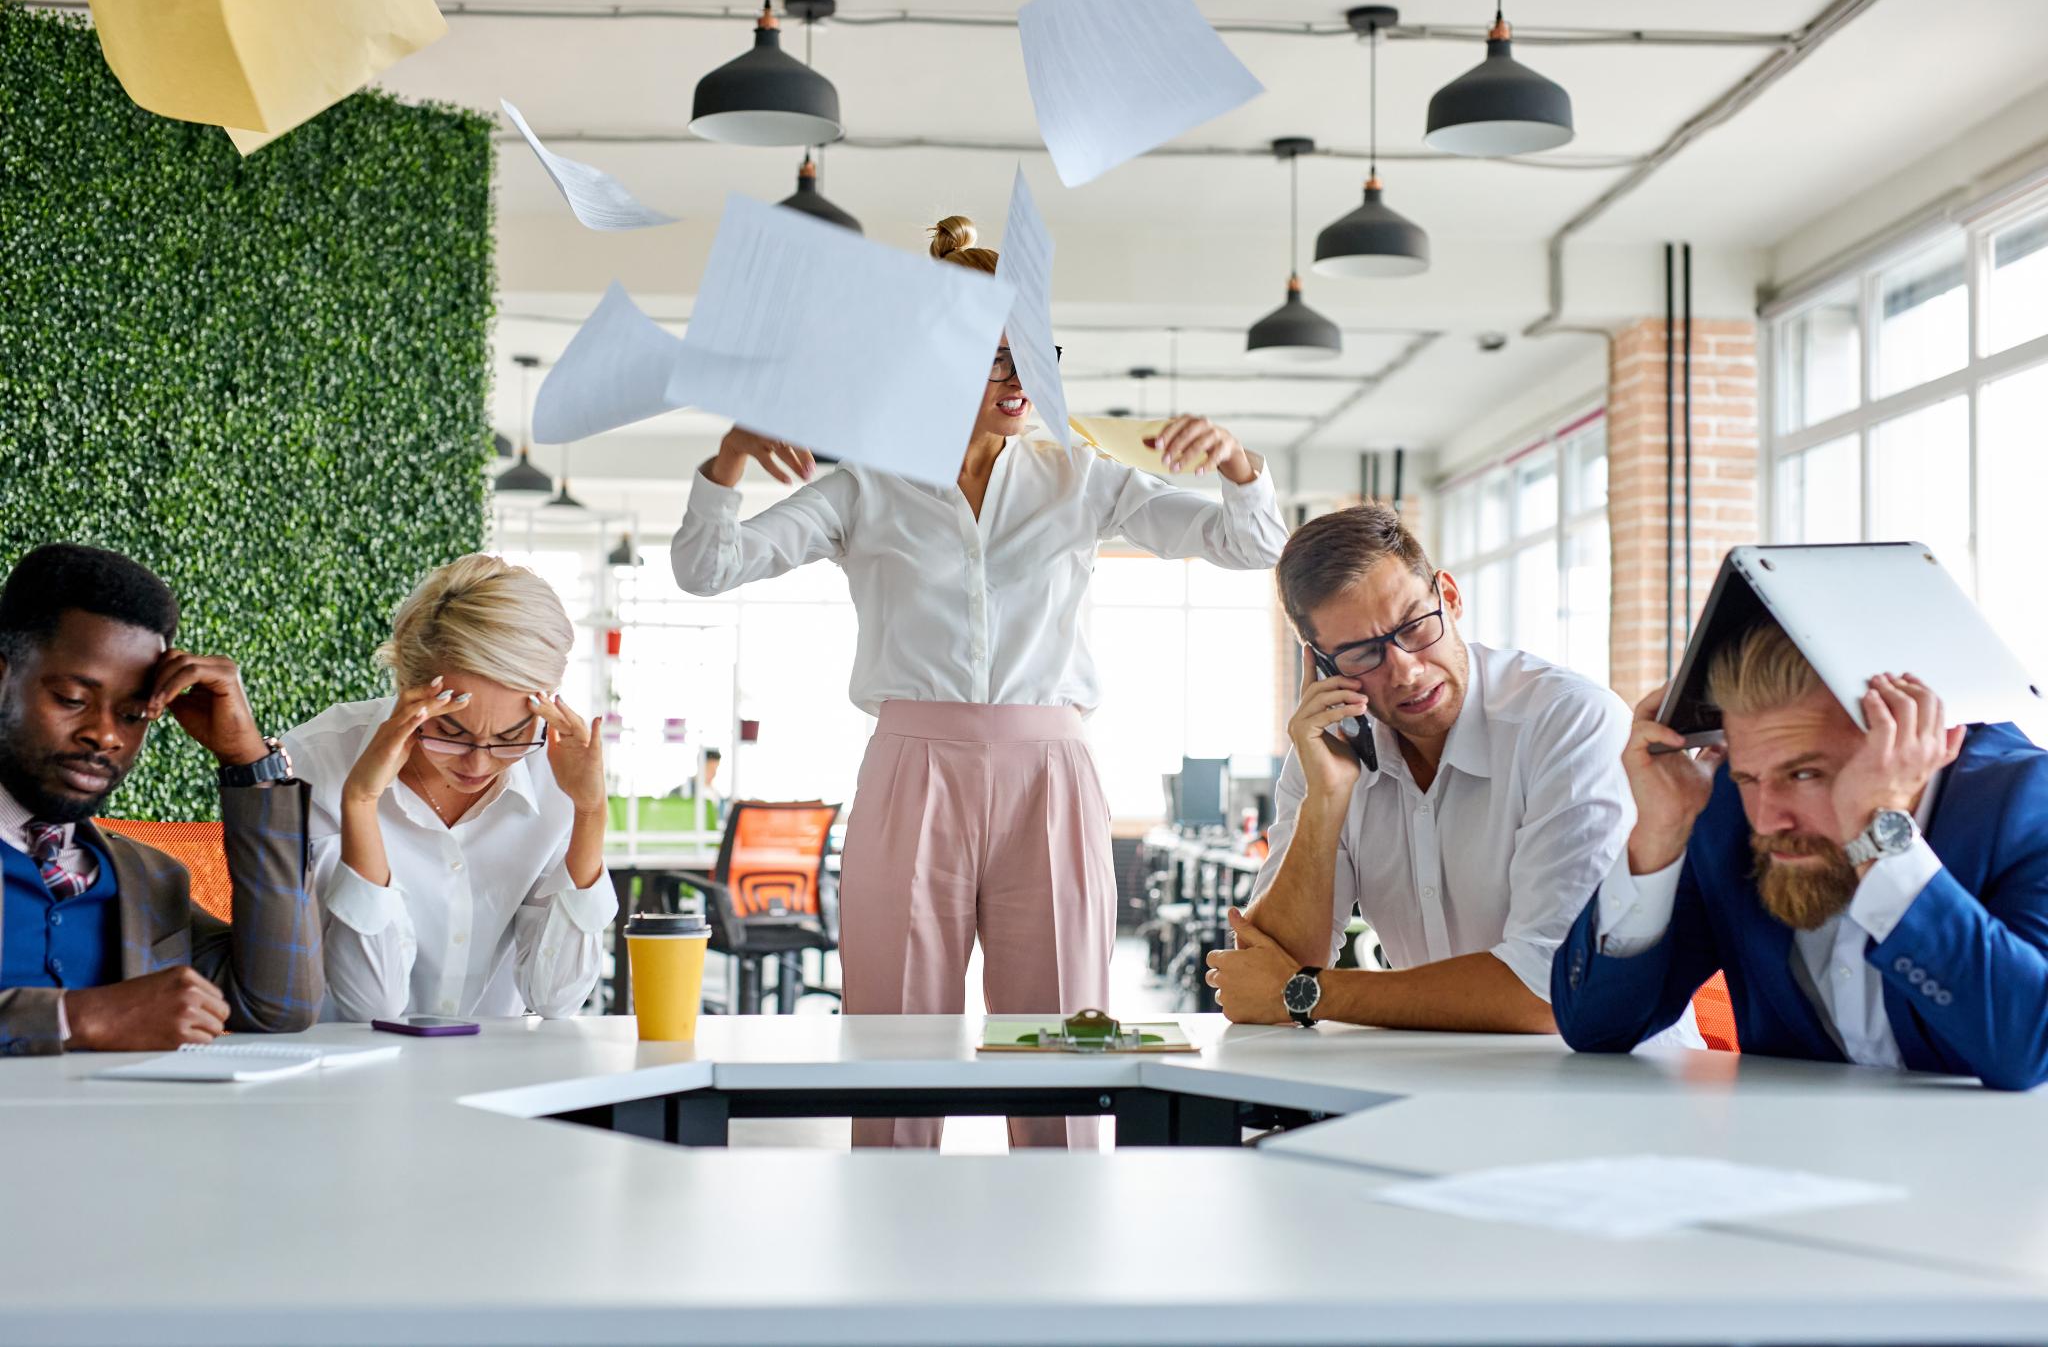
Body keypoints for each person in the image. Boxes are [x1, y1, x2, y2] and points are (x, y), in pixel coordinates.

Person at [671, 215, 1287, 1147]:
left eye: (1032, 353)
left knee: (1059, 1038)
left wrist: (1239, 465)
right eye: (992, 356)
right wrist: (727, 457)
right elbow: (707, 567)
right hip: (911, 767)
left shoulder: (1082, 477)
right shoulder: (865, 487)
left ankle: (1060, 1239)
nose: (1019, 378)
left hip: (1051, 769)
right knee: (896, 1035)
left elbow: (1252, 544)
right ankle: (892, 1231)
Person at [1206, 505, 1690, 1042]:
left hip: (1618, 1091)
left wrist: (1309, 994)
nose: (1406, 670)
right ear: (1322, 665)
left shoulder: (1569, 721)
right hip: (1443, 1083)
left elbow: (1551, 990)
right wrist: (1325, 801)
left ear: (1450, 597)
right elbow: (1262, 973)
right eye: (1363, 653)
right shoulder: (1328, 752)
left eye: (1414, 626)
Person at [1551, 621, 2048, 1090]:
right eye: (1748, 777)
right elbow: (1597, 1028)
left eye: (1805, 774)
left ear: (1930, 740)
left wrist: (1879, 835)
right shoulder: (1725, 808)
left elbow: (2028, 1045)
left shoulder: (2030, 804)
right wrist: (1659, 833)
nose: (1767, 821)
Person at [0, 543, 321, 1054]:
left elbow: (277, 1004)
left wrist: (248, 764)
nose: (105, 735)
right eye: (72, 700)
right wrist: (72, 1018)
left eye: (132, 715)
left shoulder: (149, 880)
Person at [284, 555, 615, 1021]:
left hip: (493, 1071)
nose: (479, 762)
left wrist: (590, 810)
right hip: (347, 1072)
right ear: (405, 683)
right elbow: (370, 1004)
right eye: (452, 733)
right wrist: (360, 801)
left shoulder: (557, 770)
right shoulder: (318, 761)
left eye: (509, 736)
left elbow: (557, 998)